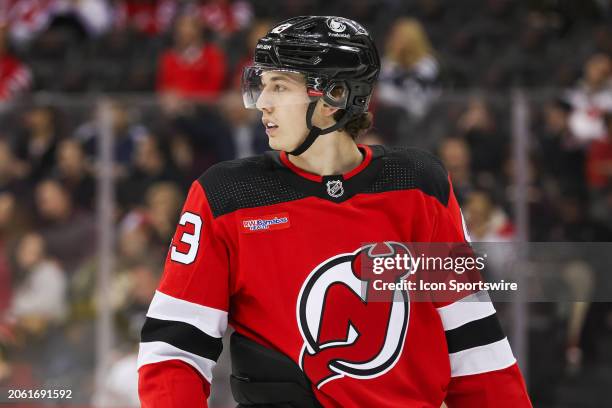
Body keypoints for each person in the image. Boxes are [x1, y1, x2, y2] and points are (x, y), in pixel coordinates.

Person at [137, 16, 532, 407]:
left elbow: (475, 347)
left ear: (334, 97)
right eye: (262, 85)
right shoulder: (226, 197)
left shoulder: (419, 186)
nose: (263, 103)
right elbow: (173, 351)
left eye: (279, 86)